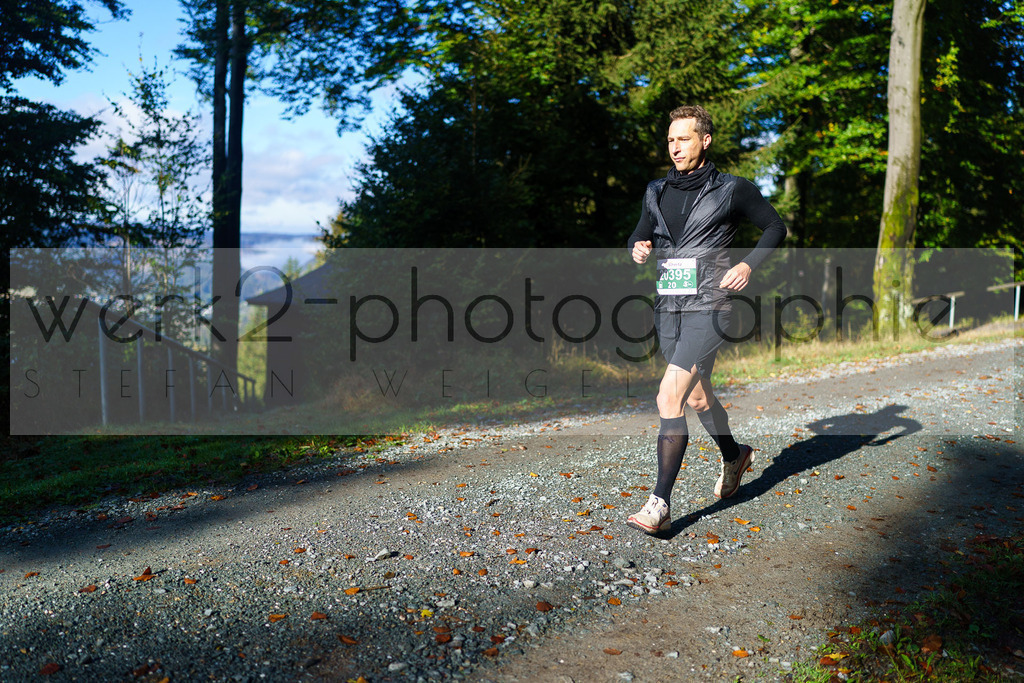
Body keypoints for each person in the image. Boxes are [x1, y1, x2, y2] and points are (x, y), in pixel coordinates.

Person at [625, 105, 786, 534]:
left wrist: (749, 265)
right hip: (669, 307)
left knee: (668, 398)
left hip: (711, 305)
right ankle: (735, 456)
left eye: (684, 139)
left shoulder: (733, 189)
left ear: (705, 140)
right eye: (671, 140)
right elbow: (639, 232)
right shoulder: (655, 190)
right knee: (696, 398)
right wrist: (637, 248)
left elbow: (774, 227)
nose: (676, 147)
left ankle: (659, 505)